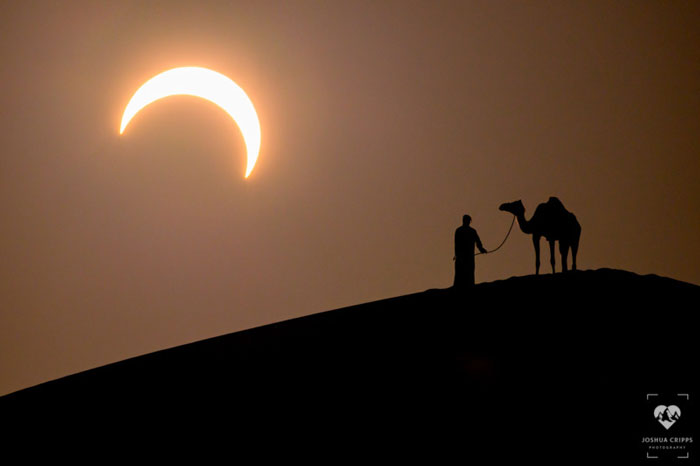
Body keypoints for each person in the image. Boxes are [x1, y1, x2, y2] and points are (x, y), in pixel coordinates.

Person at [454, 214, 487, 288]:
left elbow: (478, 242)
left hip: (465, 257)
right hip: (464, 257)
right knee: (463, 273)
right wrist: (481, 249)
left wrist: (481, 249)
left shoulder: (461, 230)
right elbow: (457, 244)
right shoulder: (468, 231)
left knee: (467, 273)